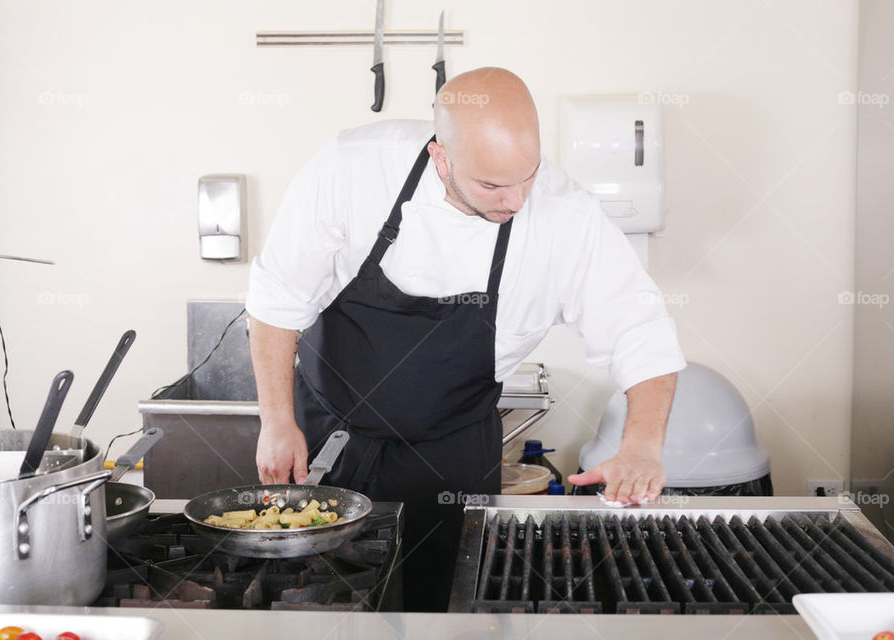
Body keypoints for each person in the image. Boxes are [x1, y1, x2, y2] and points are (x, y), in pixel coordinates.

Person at [245, 67, 686, 611]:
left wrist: (641, 446)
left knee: (443, 607)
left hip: (451, 456)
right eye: (493, 185)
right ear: (441, 158)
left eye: (528, 175)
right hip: (328, 443)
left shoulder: (566, 216)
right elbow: (276, 298)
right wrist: (276, 420)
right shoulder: (353, 168)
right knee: (314, 603)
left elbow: (639, 328)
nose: (518, 201)